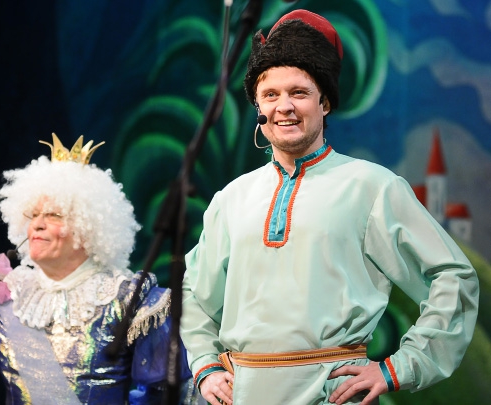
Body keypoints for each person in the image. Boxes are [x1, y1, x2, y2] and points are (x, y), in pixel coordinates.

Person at [180, 9, 479, 405]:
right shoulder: (232, 198)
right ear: (258, 107)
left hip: (331, 395)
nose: (284, 106)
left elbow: (452, 276)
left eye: (299, 93)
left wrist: (401, 366)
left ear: (324, 103)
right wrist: (205, 365)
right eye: (271, 95)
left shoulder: (371, 187)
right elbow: (196, 293)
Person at [0, 134, 197, 404]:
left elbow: (171, 390)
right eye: (33, 215)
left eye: (54, 215)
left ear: (89, 228)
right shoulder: (2, 295)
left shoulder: (127, 299)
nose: (38, 225)